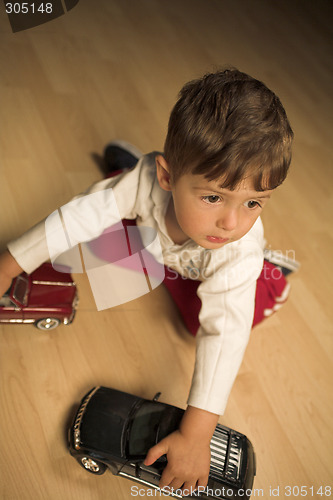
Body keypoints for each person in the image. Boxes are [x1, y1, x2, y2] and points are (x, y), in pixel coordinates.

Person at [0, 68, 295, 494]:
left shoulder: (237, 247)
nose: (232, 222)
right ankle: (125, 176)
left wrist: (197, 432)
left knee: (205, 318)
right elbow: (76, 217)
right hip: (162, 231)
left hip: (218, 269)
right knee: (96, 224)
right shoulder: (149, 181)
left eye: (253, 202)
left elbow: (225, 333)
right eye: (213, 196)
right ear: (167, 176)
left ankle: (276, 274)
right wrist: (9, 265)